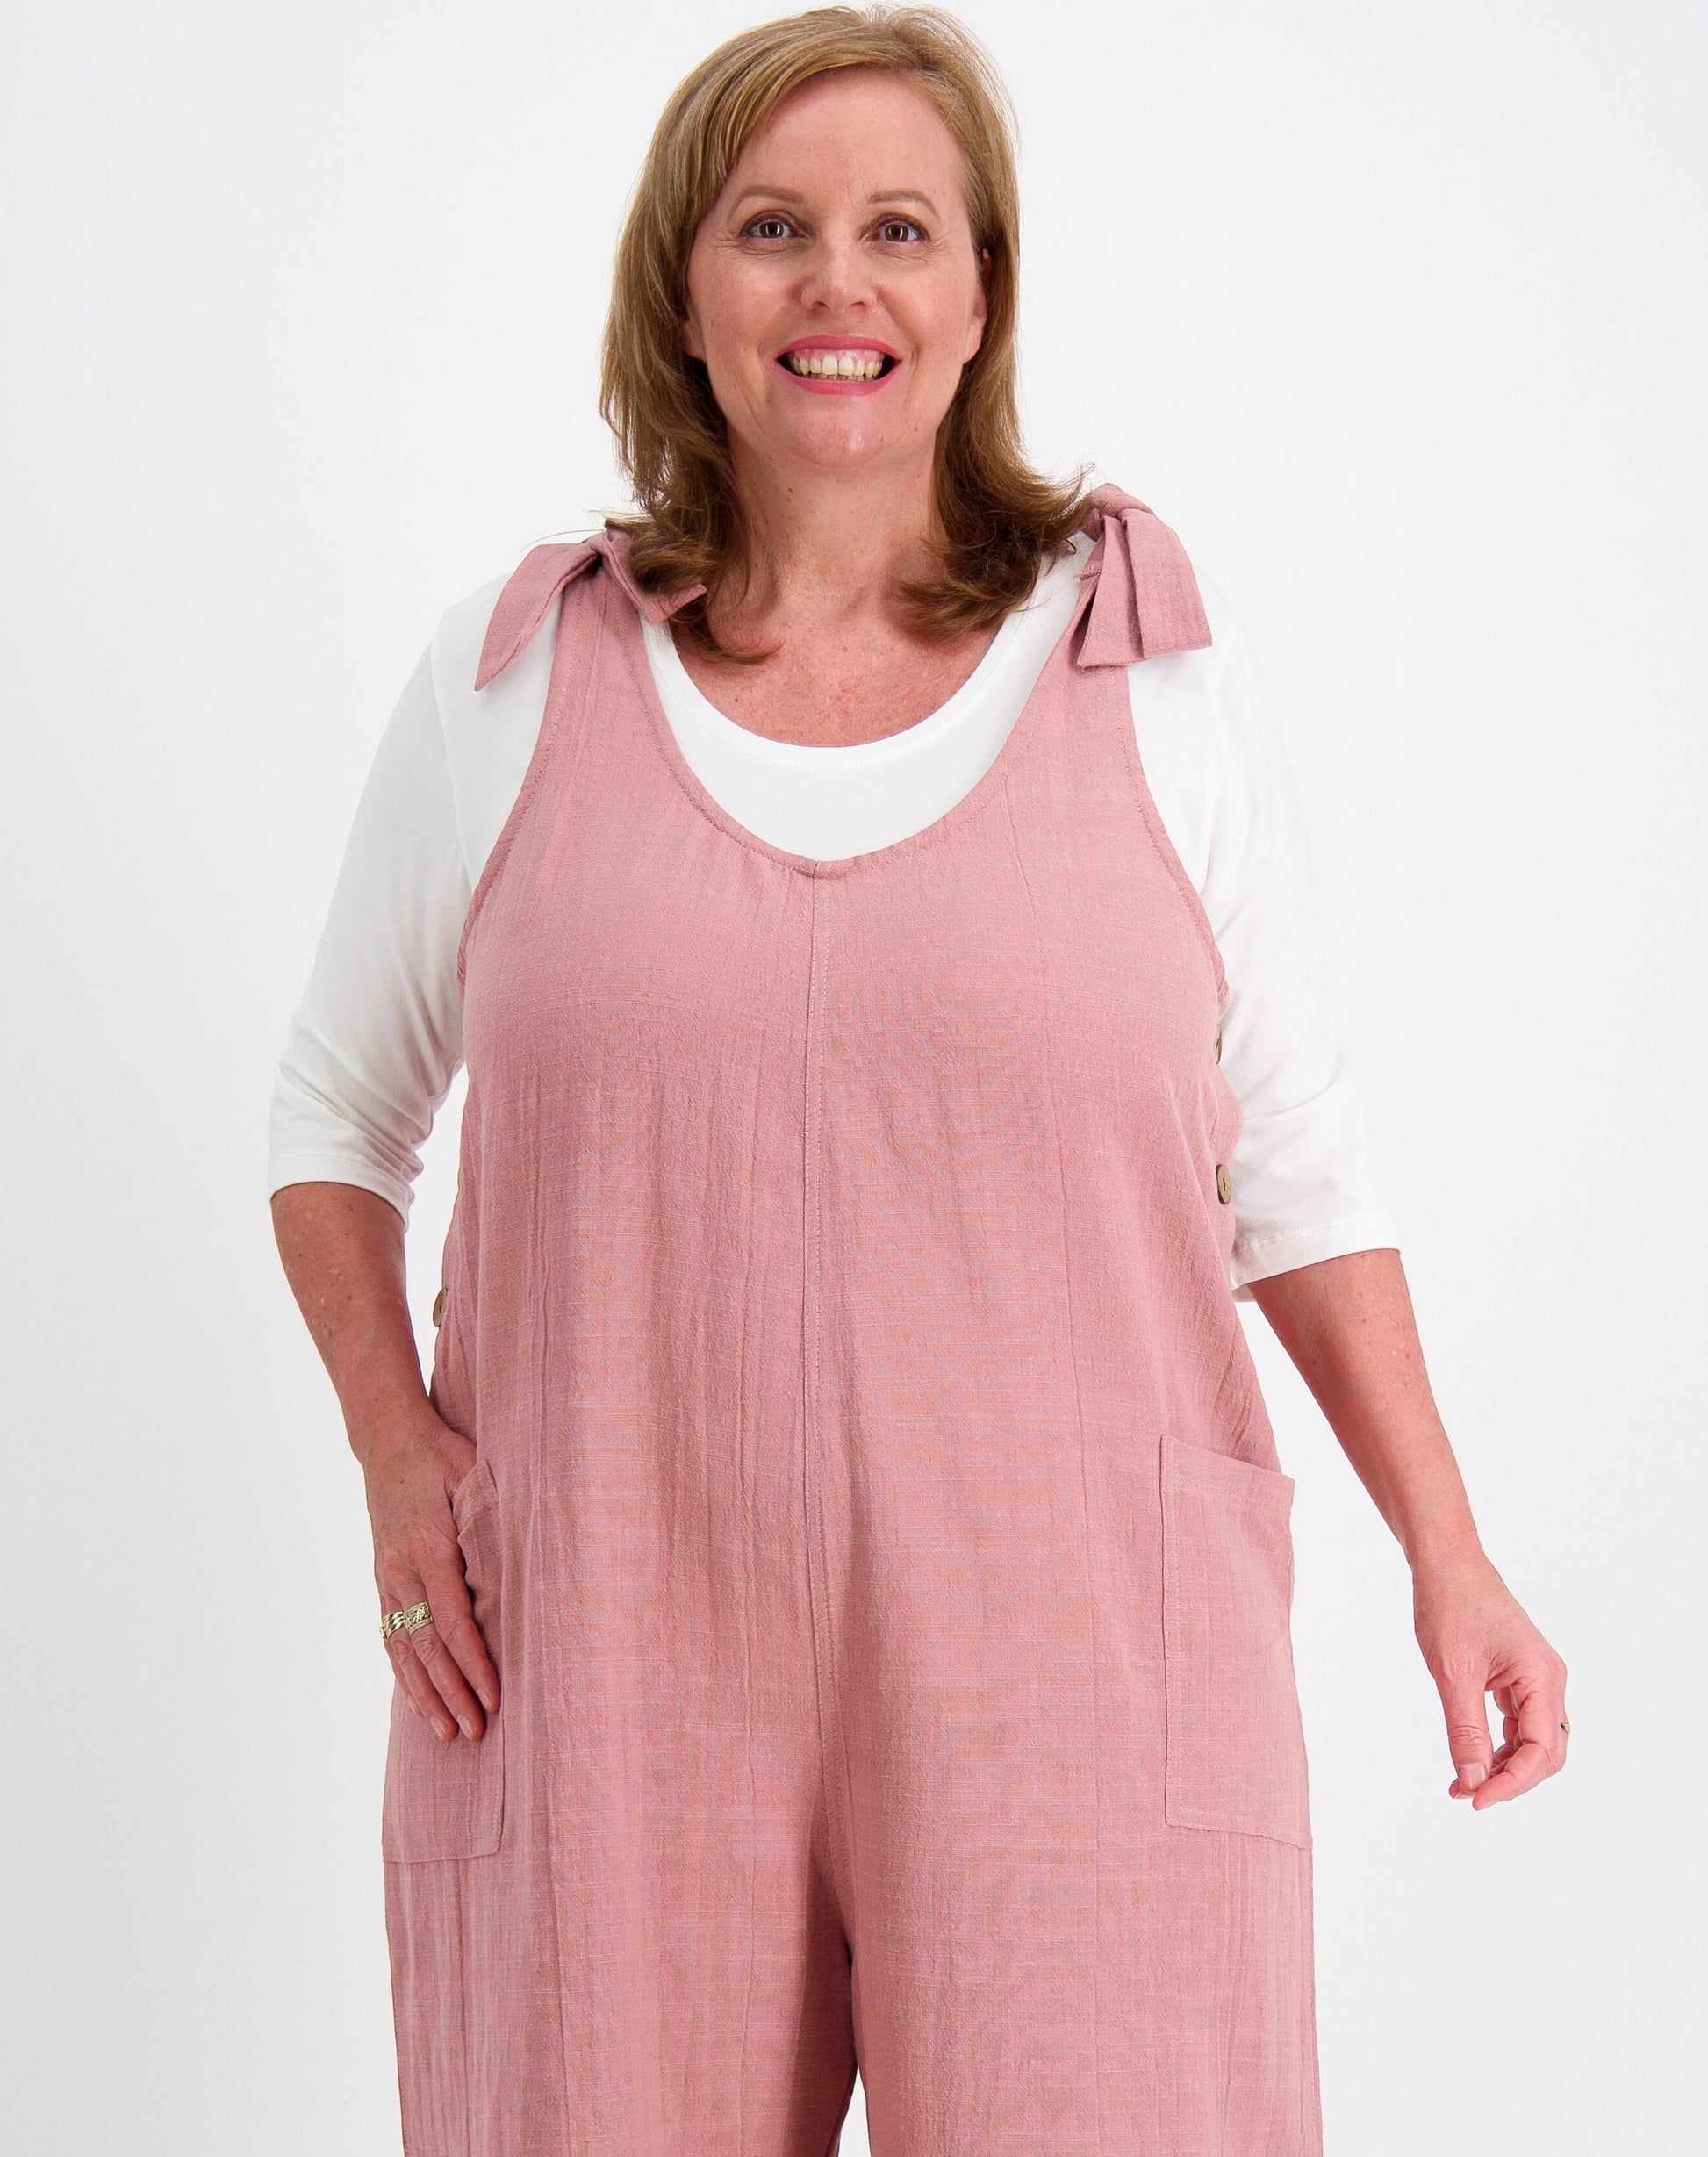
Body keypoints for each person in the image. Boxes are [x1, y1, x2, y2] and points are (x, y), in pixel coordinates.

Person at [268, 6, 1569, 2150]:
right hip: (601, 1648)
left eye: (898, 228)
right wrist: (399, 1457)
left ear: (979, 297)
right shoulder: (508, 684)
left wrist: (1452, 1547)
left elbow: (1304, 1168)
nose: (836, 285)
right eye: (773, 227)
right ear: (686, 293)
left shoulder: (1144, 677)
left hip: (1076, 1653)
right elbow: (333, 1118)